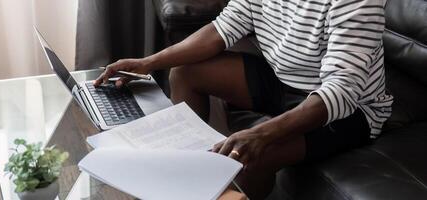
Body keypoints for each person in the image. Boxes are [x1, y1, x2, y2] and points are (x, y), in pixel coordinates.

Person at [94, 0, 393, 199]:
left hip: (346, 109)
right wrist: (148, 62)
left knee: (250, 154)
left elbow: (343, 88)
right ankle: (185, 176)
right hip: (284, 80)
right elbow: (222, 29)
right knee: (184, 73)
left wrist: (261, 132)